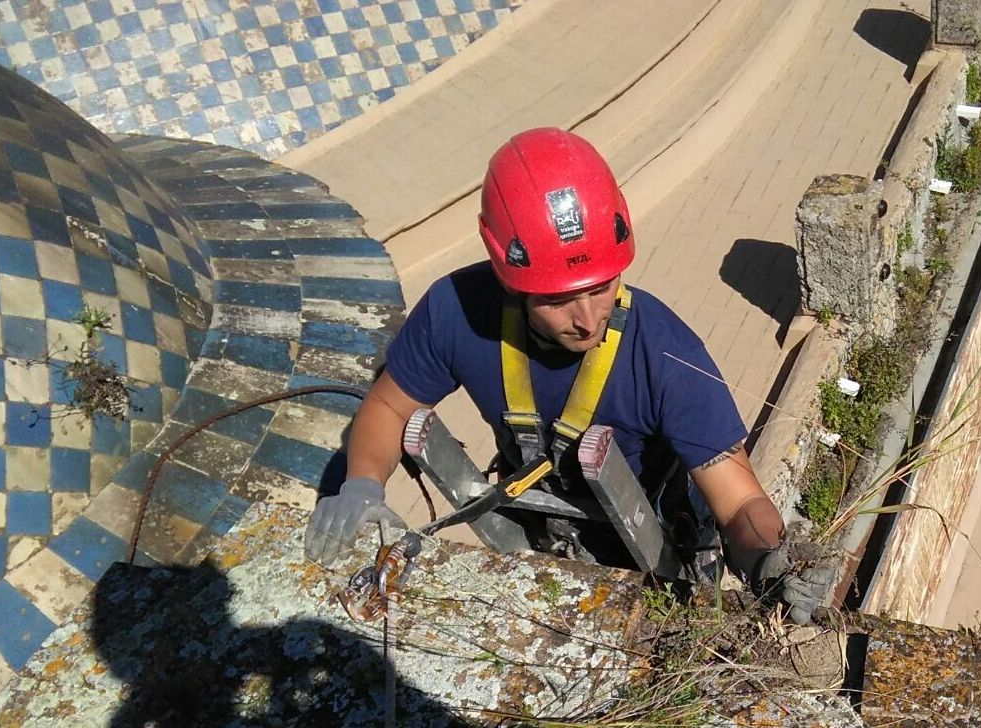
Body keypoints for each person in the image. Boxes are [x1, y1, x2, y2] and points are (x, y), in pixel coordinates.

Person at [304, 126, 832, 621]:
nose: (587, 320)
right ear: (509, 279)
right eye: (558, 299)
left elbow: (738, 498)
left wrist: (771, 561)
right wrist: (362, 485)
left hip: (654, 541)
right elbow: (391, 406)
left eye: (602, 286)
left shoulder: (666, 352)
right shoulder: (456, 312)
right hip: (536, 526)